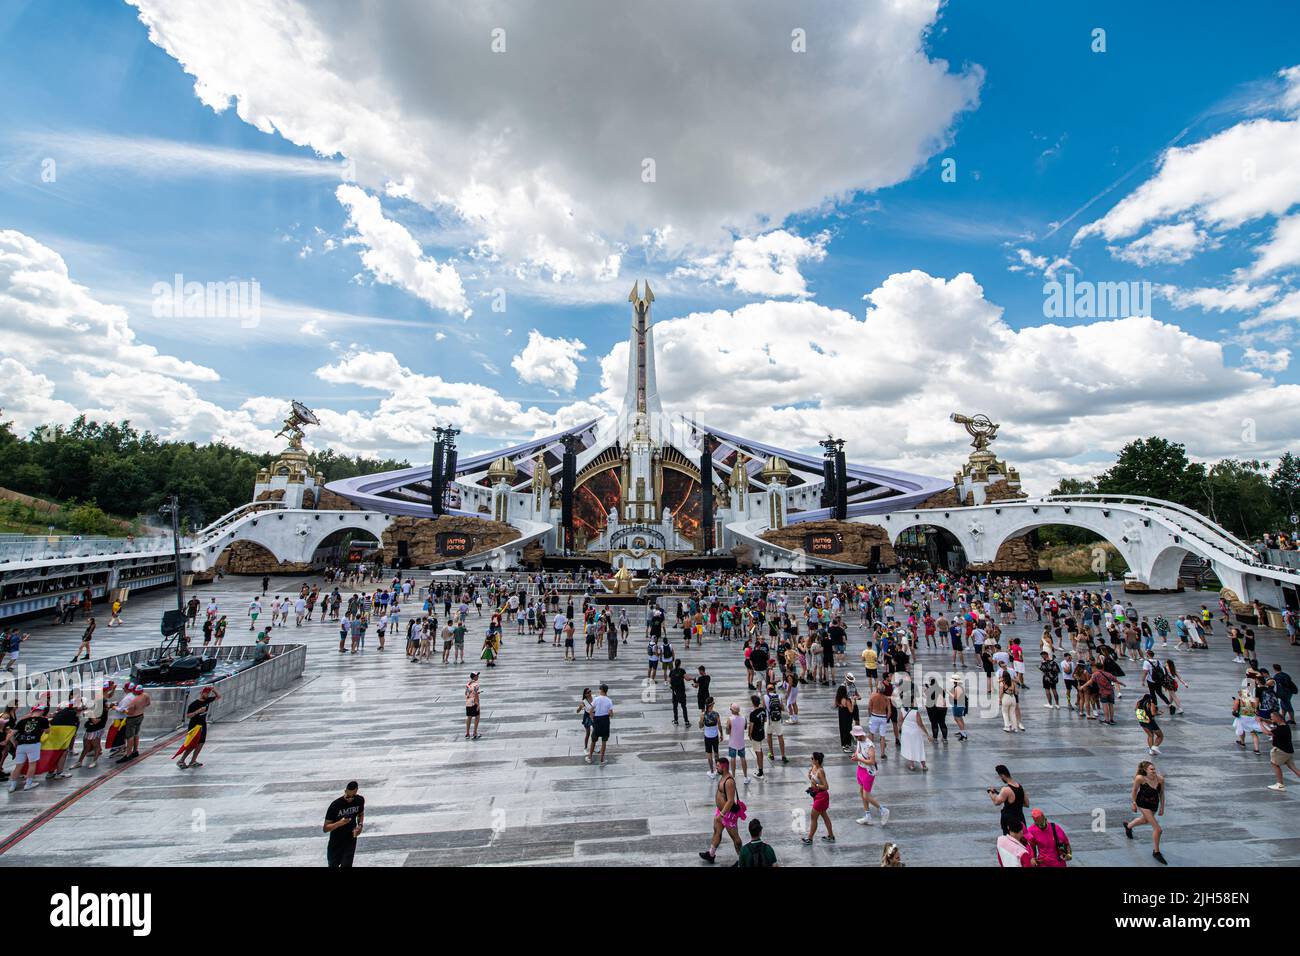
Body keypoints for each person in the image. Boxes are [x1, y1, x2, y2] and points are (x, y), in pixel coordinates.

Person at [698, 757, 744, 863]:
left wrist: (722, 814)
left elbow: (730, 801)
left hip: (727, 814)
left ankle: (743, 859)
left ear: (724, 767)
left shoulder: (729, 782)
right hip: (721, 812)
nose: (716, 768)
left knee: (736, 839)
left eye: (718, 766)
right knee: (717, 831)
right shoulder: (722, 777)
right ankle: (711, 854)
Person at [1124, 759, 1166, 864]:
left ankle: (1128, 826)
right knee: (1158, 829)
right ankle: (1156, 852)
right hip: (1142, 803)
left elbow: (1161, 794)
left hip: (1154, 804)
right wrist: (1133, 803)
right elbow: (1134, 791)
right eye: (1151, 769)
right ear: (1145, 770)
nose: (1154, 770)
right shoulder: (1140, 778)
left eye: (1154, 768)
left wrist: (1162, 807)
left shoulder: (1160, 779)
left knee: (1145, 821)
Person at [851, 725, 889, 826]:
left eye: (856, 736)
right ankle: (867, 816)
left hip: (868, 771)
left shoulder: (869, 745)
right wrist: (855, 755)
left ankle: (883, 810)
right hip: (860, 769)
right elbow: (858, 751)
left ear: (860, 735)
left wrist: (858, 759)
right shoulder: (859, 741)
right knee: (861, 791)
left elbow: (872, 761)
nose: (855, 738)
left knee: (866, 795)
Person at [6, 704, 49, 792]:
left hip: (21, 745)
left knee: (18, 766)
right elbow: (47, 731)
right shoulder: (43, 720)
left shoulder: (22, 721)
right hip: (34, 744)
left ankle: (12, 786)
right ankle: (28, 784)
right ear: (41, 711)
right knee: (32, 764)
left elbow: (11, 733)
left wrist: (13, 742)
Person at [323, 781, 365, 867]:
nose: (350, 799)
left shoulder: (359, 800)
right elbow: (325, 828)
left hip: (350, 839)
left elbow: (360, 813)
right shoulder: (335, 805)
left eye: (352, 797)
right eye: (348, 796)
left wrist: (360, 825)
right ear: (345, 791)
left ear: (356, 791)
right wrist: (339, 823)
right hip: (336, 840)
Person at [177, 686, 219, 770]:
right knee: (192, 744)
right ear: (201, 693)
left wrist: (214, 691)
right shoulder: (194, 704)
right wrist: (198, 711)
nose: (207, 695)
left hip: (203, 725)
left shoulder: (207, 700)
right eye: (205, 693)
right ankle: (181, 760)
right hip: (194, 726)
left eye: (208, 693)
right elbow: (188, 716)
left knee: (201, 743)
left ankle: (193, 761)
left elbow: (218, 697)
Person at [801, 752, 835, 844]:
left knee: (813, 817)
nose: (810, 759)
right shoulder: (813, 767)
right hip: (816, 796)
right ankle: (831, 836)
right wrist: (810, 776)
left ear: (816, 760)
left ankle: (810, 838)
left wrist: (816, 785)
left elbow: (826, 786)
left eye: (812, 758)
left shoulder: (820, 771)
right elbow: (813, 779)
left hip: (821, 797)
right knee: (824, 816)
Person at [1264, 711, 1299, 791]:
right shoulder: (1283, 724)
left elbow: (1267, 733)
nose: (1271, 718)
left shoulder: (1281, 728)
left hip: (1282, 750)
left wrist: (1260, 723)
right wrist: (1263, 719)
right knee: (1293, 767)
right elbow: (1271, 722)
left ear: (1277, 718)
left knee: (1274, 764)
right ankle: (1280, 784)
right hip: (1289, 751)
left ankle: (1280, 785)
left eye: (1272, 717)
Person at [988, 764, 1026, 835]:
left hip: (1010, 823)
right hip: (1021, 820)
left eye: (1000, 777)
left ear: (1002, 775)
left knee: (1011, 844)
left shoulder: (1006, 790)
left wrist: (990, 792)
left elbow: (996, 802)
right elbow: (1027, 804)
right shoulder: (1020, 787)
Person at [586, 683, 613, 765]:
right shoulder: (609, 700)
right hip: (605, 721)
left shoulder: (596, 699)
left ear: (601, 690)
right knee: (604, 741)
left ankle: (590, 757)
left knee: (593, 740)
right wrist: (608, 714)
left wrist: (592, 718)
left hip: (597, 720)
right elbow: (611, 714)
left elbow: (590, 711)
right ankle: (602, 760)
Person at [725, 702, 750, 783]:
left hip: (732, 743)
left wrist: (728, 729)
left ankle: (734, 776)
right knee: (743, 758)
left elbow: (727, 732)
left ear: (732, 710)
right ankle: (745, 777)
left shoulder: (730, 719)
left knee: (733, 759)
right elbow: (745, 727)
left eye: (730, 709)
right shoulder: (744, 718)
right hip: (741, 742)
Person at [1135, 690, 1164, 756]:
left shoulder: (1139, 702)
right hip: (1150, 721)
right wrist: (1158, 713)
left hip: (1142, 721)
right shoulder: (1150, 703)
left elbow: (1136, 710)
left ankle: (1151, 750)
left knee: (1150, 735)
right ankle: (1154, 747)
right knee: (1160, 736)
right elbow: (1153, 713)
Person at [700, 697, 721, 775]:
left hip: (707, 737)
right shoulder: (716, 714)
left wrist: (701, 721)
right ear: (711, 705)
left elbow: (700, 726)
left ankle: (712, 771)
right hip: (715, 736)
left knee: (709, 754)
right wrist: (721, 734)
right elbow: (719, 725)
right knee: (716, 753)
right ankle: (718, 770)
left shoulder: (703, 714)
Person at [464, 672, 482, 740]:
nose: (478, 676)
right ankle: (475, 733)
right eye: (477, 675)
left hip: (468, 702)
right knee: (477, 717)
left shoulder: (468, 684)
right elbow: (476, 694)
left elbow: (466, 694)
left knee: (469, 717)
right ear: (474, 677)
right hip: (474, 702)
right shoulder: (476, 685)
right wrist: (477, 704)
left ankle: (467, 733)